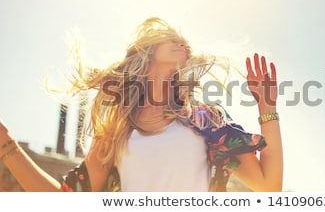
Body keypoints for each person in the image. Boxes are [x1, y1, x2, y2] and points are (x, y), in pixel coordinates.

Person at [0, 17, 283, 192]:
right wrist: (8, 147)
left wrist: (267, 108)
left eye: (183, 41)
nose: (182, 43)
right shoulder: (117, 132)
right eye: (171, 38)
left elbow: (270, 187)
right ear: (146, 51)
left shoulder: (206, 120)